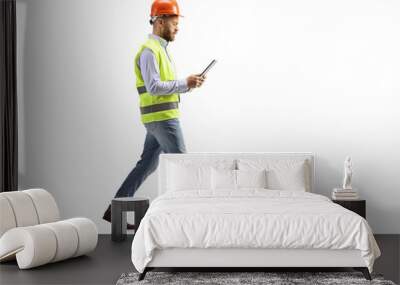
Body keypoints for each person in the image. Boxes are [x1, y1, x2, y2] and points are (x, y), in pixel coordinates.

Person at [102, 0, 206, 227]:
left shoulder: (161, 50)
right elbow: (154, 87)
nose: (178, 28)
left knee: (147, 165)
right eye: (174, 23)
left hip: (157, 119)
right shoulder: (150, 52)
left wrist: (189, 84)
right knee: (183, 166)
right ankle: (189, 220)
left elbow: (164, 86)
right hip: (163, 120)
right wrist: (183, 82)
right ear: (160, 22)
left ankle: (115, 210)